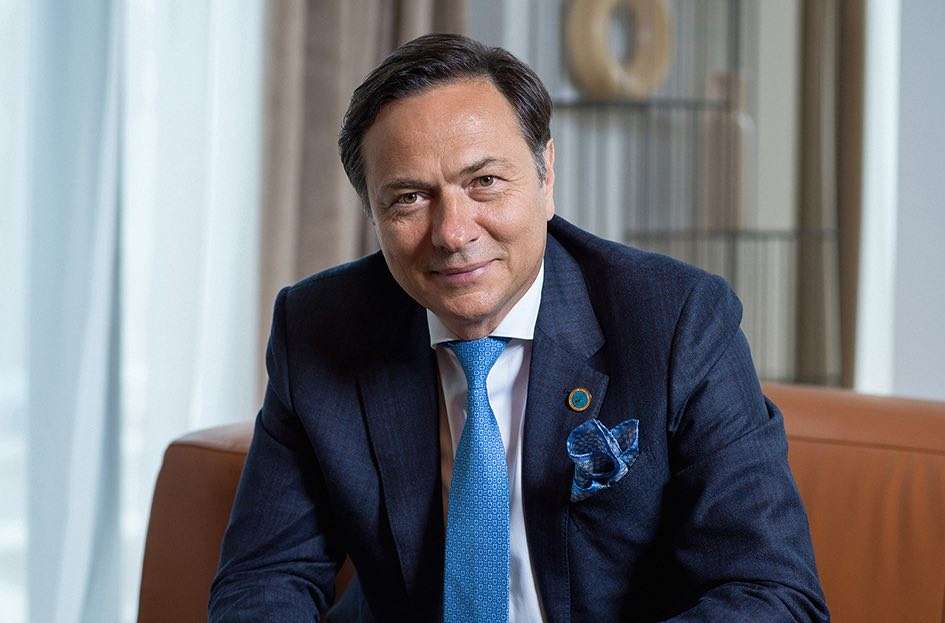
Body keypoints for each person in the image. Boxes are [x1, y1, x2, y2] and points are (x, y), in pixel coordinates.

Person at [209, 33, 828, 622]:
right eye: (409, 198)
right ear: (372, 212)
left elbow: (772, 593)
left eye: (484, 182)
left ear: (545, 176)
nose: (453, 233)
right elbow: (265, 577)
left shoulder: (675, 321)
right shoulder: (319, 328)